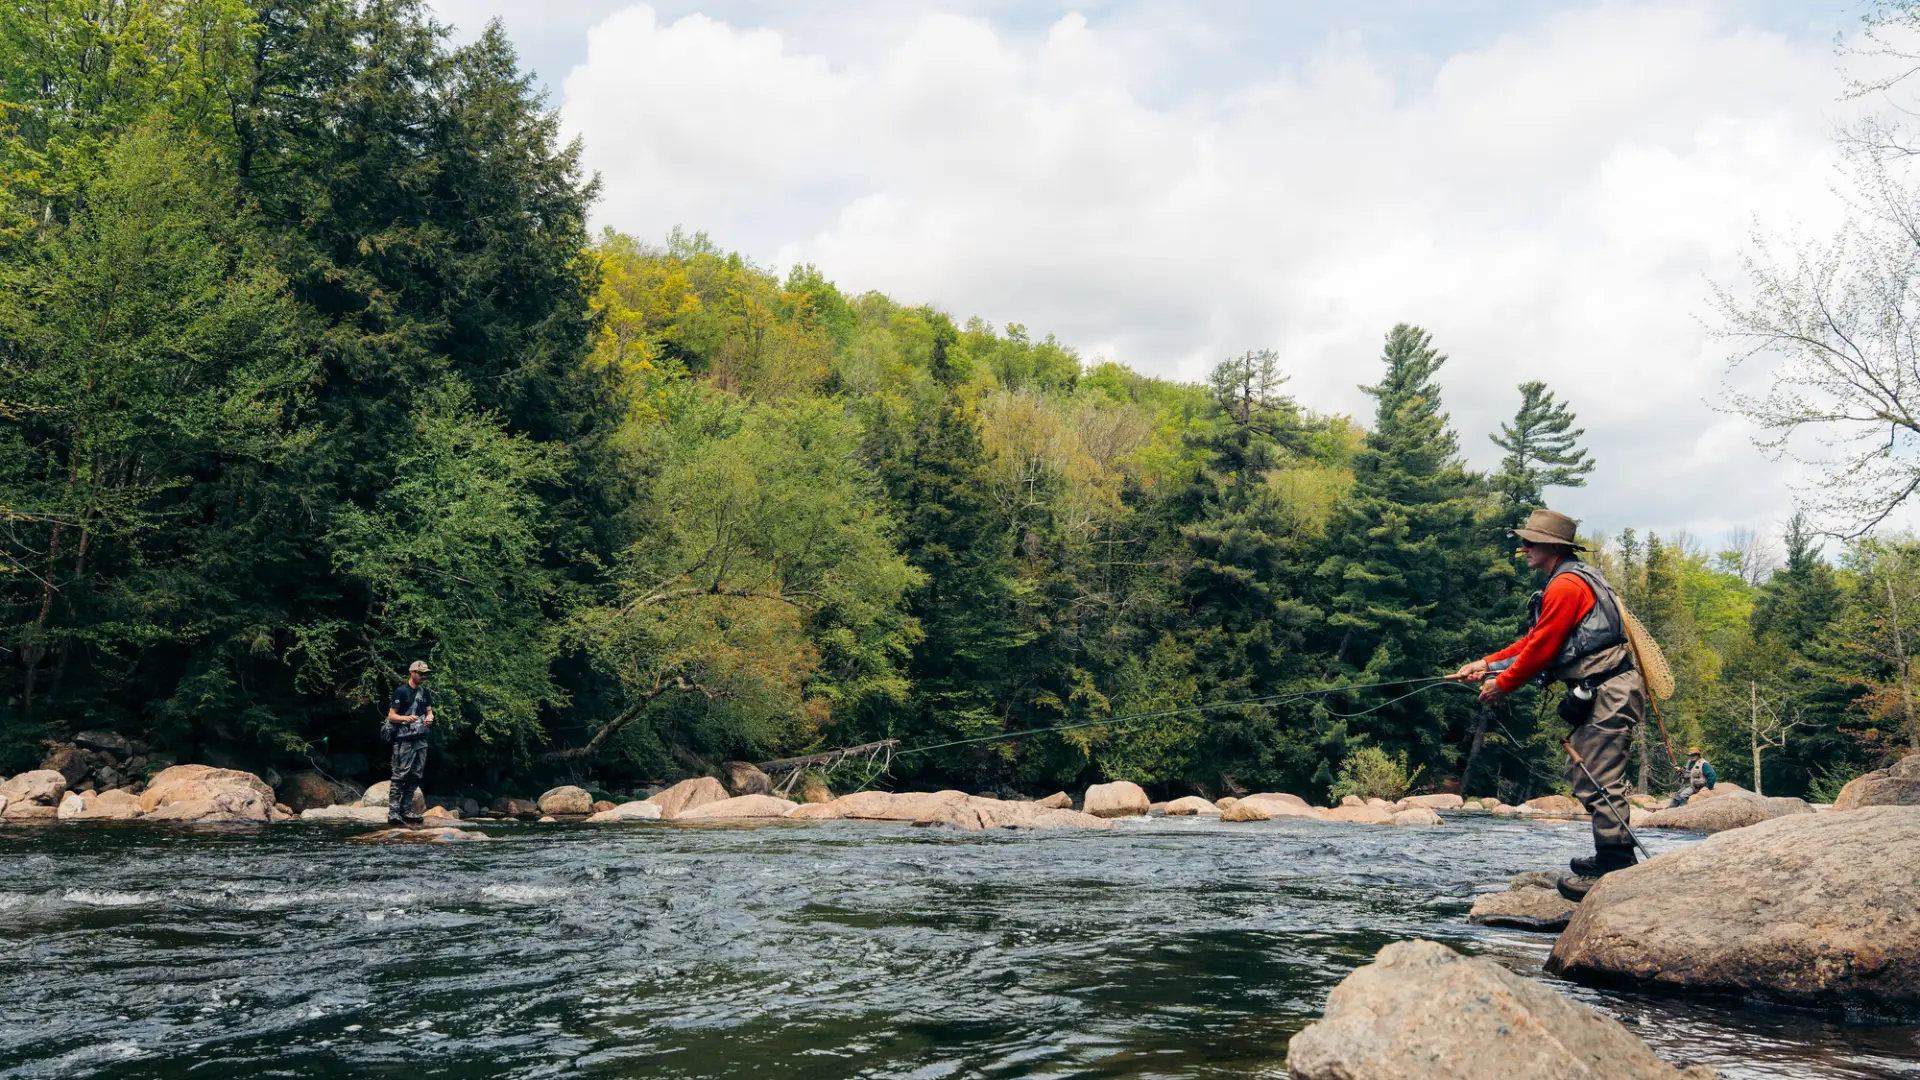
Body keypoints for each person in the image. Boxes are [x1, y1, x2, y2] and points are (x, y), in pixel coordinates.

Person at [1447, 508, 1646, 902]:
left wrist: (1502, 684)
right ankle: (1612, 854)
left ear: (1552, 547)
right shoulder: (1569, 581)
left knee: (1598, 777)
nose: (1522, 548)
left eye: (1529, 542)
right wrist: (1486, 664)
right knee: (1587, 773)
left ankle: (1615, 865)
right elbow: (1534, 641)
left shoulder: (1566, 586)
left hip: (1608, 690)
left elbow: (1543, 649)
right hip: (1603, 689)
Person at [385, 659, 436, 825]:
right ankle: (393, 813)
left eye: (425, 674)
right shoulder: (401, 691)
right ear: (412, 672)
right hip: (403, 741)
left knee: (415, 775)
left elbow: (430, 713)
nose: (423, 677)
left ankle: (406, 810)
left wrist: (429, 719)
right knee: (400, 776)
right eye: (420, 674)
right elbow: (391, 716)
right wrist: (406, 718)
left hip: (421, 740)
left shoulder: (425, 693)